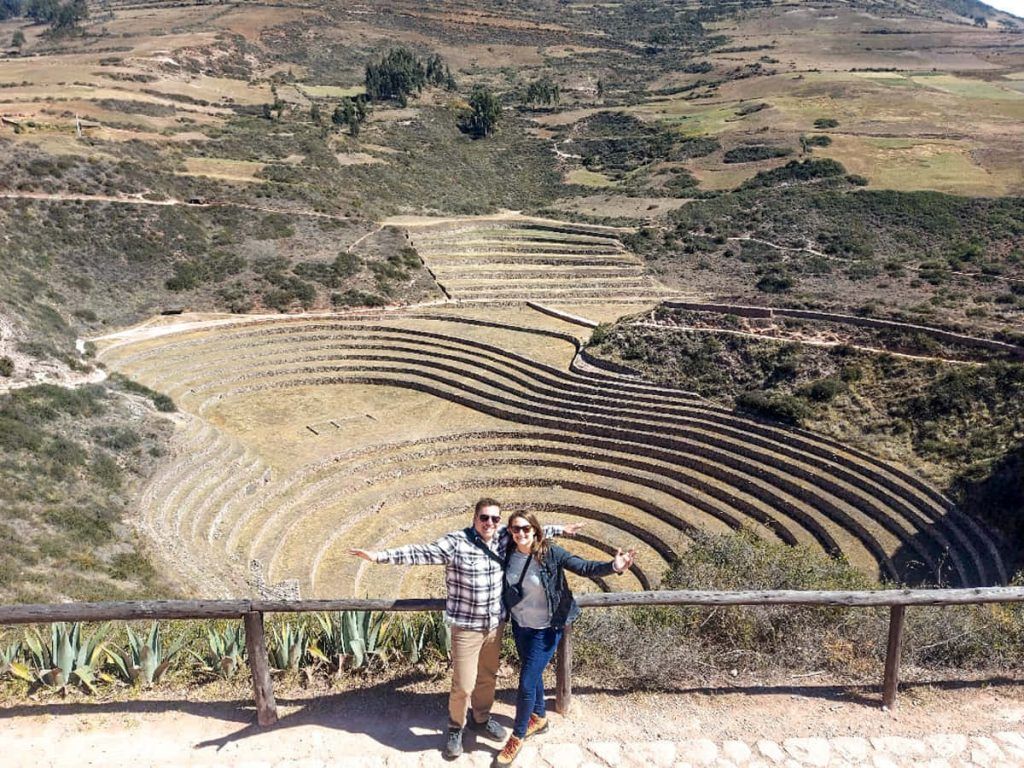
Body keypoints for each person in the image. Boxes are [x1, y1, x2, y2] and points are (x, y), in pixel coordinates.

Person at [349, 498, 584, 760]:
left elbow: (528, 531)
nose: (490, 523)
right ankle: (455, 728)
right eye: (485, 518)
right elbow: (421, 552)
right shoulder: (456, 542)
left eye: (495, 519)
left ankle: (481, 718)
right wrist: (379, 556)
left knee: (488, 677)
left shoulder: (502, 538)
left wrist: (560, 528)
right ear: (475, 518)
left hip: (495, 626)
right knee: (463, 684)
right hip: (466, 626)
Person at [494, 511, 635, 767]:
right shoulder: (509, 553)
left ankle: (518, 735)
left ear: (536, 530)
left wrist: (614, 566)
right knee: (531, 673)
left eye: (526, 528)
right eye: (515, 529)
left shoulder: (551, 554)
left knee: (526, 682)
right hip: (521, 625)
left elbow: (584, 567)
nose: (520, 533)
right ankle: (539, 717)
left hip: (547, 627)